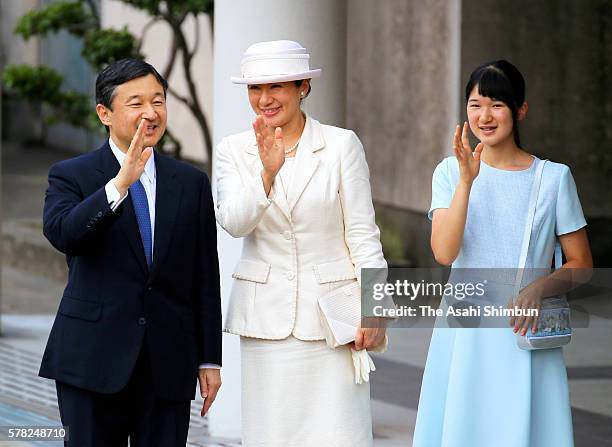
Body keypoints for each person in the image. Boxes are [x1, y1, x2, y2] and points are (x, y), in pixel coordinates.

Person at [39, 58, 222, 447]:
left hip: (167, 362)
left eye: (158, 101)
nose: (151, 113)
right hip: (91, 358)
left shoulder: (190, 182)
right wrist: (119, 185)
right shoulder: (72, 174)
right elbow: (64, 234)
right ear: (104, 113)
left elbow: (204, 275)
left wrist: (209, 359)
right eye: (136, 103)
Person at [215, 40, 387, 446]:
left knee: (339, 434)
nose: (264, 99)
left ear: (303, 87)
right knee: (272, 435)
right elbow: (233, 223)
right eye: (255, 89)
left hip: (333, 320)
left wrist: (374, 307)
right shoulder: (234, 150)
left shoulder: (341, 145)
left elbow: (363, 233)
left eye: (277, 87)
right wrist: (266, 174)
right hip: (266, 321)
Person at [413, 60, 593, 446]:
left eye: (497, 104)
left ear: (520, 109)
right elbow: (444, 253)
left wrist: (538, 289)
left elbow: (582, 264)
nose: (485, 115)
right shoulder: (449, 173)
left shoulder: (553, 178)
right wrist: (466, 182)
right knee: (465, 428)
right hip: (465, 332)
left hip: (523, 328)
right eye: (476, 104)